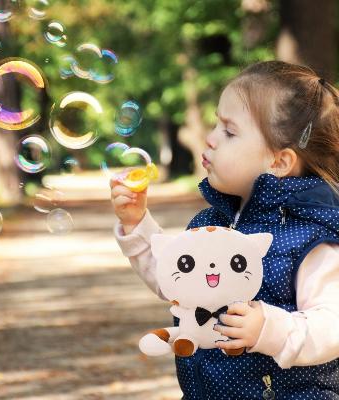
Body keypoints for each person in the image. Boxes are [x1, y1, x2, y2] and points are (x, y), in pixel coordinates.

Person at [110, 60, 339, 399]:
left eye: (229, 132)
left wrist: (269, 329)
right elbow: (177, 284)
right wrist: (136, 223)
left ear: (278, 162)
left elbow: (331, 325)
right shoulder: (211, 223)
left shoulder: (309, 236)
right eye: (217, 125)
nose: (211, 138)